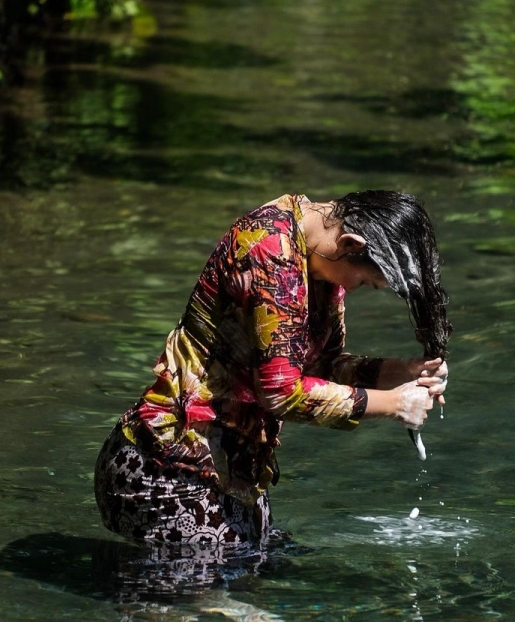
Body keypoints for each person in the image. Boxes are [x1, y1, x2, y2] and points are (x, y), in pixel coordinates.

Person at [94, 190, 451, 548]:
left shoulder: (319, 261)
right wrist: (394, 406)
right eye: (364, 281)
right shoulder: (268, 248)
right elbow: (281, 392)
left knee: (257, 581)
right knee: (207, 601)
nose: (353, 289)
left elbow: (320, 368)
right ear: (349, 242)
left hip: (231, 473)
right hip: (169, 468)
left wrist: (404, 372)